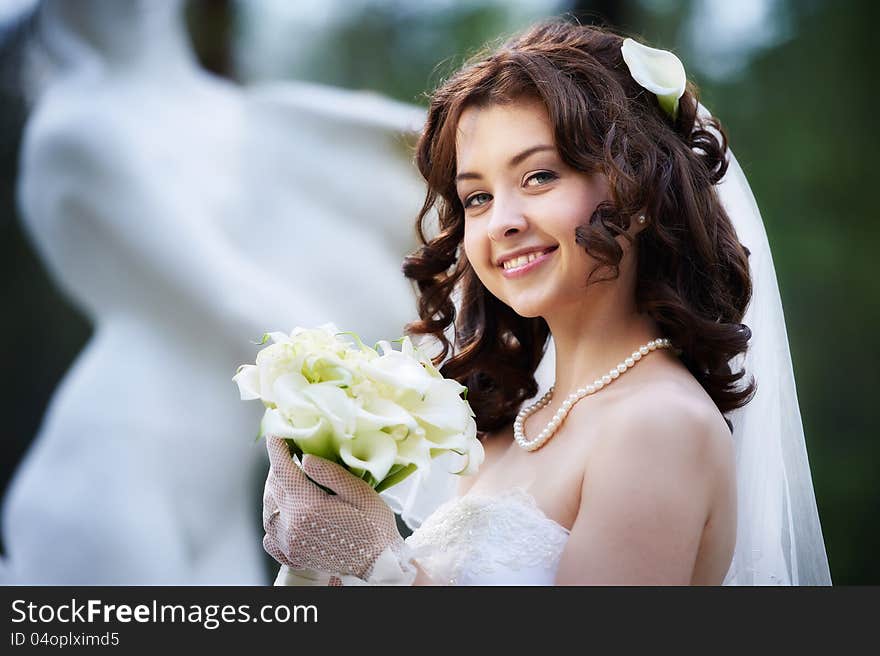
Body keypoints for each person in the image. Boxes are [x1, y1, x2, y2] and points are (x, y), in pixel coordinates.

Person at [262, 19, 832, 586]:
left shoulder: (658, 424)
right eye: (478, 197)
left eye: (538, 177)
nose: (503, 223)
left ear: (637, 192)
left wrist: (381, 566)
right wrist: (325, 561)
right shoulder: (514, 425)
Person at [0, 0, 425, 584]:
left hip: (218, 489)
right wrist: (391, 400)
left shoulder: (238, 113)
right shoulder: (78, 129)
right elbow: (233, 300)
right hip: (115, 471)